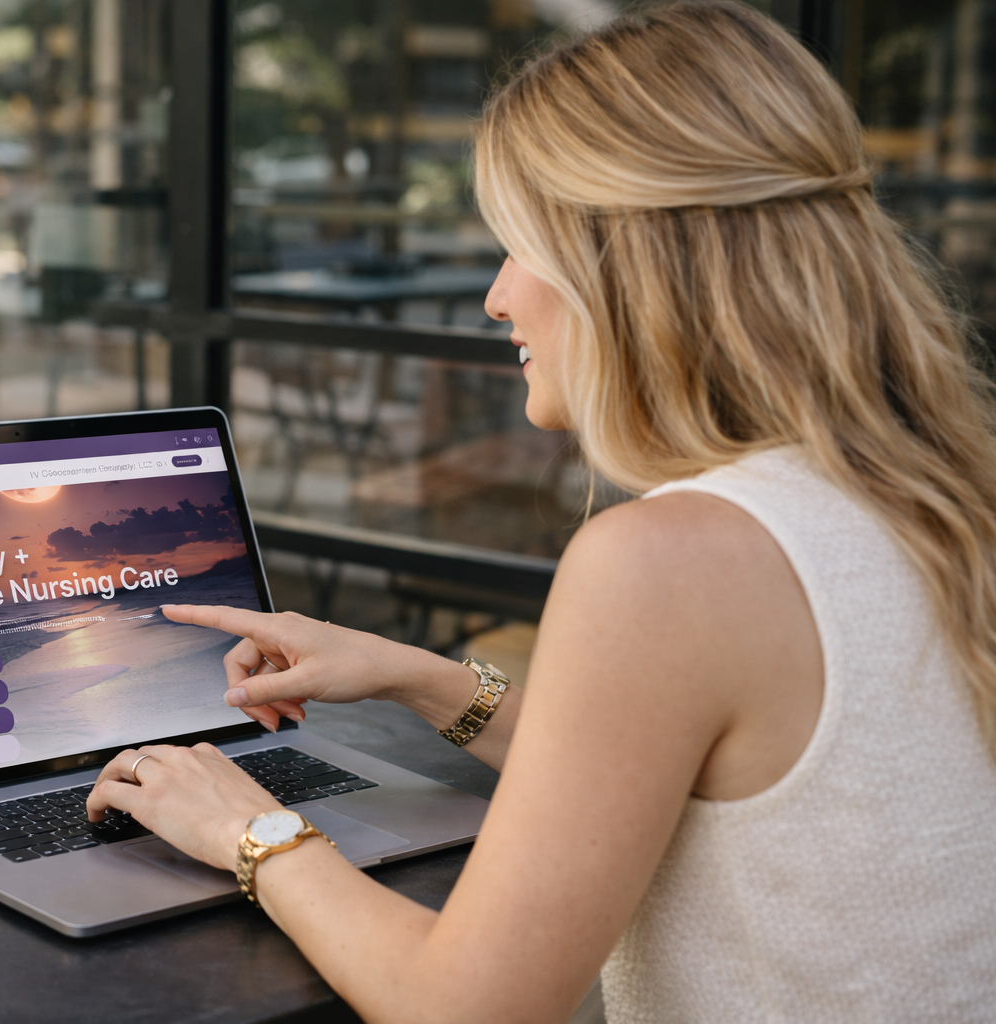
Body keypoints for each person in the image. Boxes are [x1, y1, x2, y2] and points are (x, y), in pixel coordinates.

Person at [85, 3, 996, 1020]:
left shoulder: (674, 560)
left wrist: (245, 828)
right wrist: (424, 680)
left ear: (632, 263)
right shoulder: (929, 490)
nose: (495, 295)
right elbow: (689, 769)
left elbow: (466, 1006)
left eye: (520, 244)